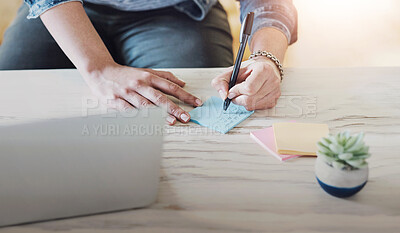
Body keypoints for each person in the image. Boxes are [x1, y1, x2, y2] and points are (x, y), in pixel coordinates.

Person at [0, 0, 297, 125]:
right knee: (10, 99)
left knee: (191, 117)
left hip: (178, 10)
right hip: (64, 9)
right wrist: (99, 68)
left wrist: (267, 58)